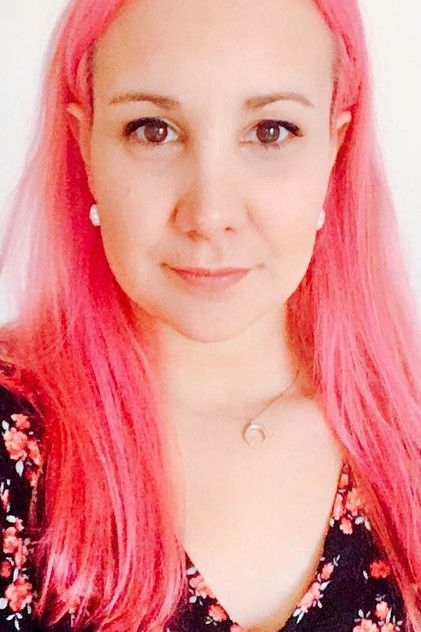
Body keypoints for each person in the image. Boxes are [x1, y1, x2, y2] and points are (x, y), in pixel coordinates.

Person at [0, 0, 419, 631]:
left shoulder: (408, 432)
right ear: (85, 145)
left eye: (271, 131)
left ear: (335, 148)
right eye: (153, 130)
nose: (209, 214)